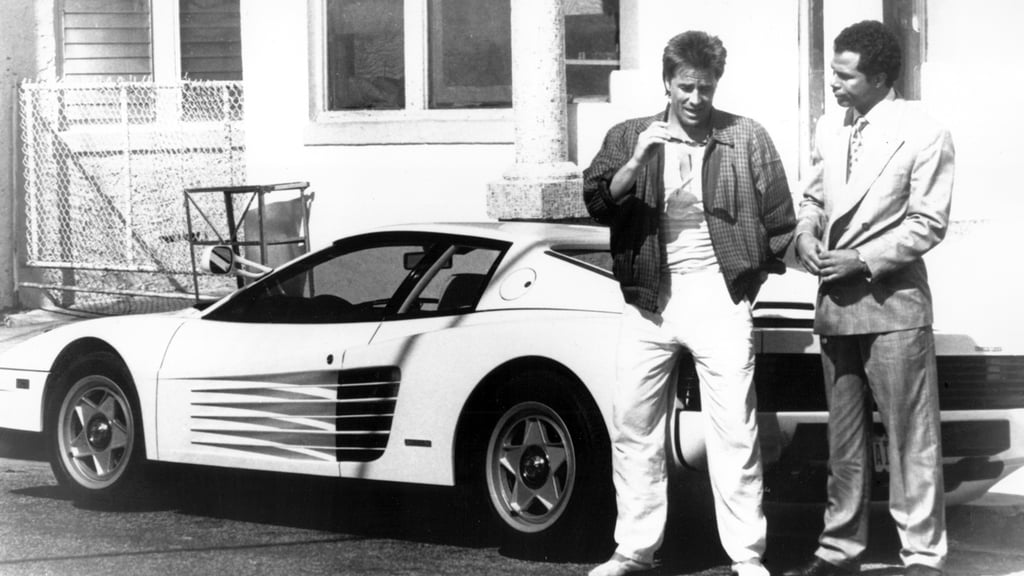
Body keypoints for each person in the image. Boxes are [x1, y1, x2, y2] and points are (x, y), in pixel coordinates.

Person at [582, 30, 796, 576]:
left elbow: (779, 224)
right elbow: (596, 201)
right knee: (633, 425)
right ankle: (634, 549)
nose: (696, 100)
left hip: (717, 295)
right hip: (649, 297)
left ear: (717, 83)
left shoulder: (746, 137)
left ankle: (747, 556)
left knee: (735, 430)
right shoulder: (630, 133)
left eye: (706, 87)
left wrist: (746, 286)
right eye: (685, 88)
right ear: (667, 84)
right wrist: (637, 162)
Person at [784, 20, 954, 576]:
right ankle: (839, 550)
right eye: (832, 71)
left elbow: (928, 223)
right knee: (844, 442)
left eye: (844, 75)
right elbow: (812, 197)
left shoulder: (925, 132)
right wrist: (806, 233)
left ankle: (923, 557)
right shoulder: (831, 128)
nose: (832, 83)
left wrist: (862, 258)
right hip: (835, 306)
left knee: (911, 442)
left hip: (893, 306)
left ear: (880, 77)